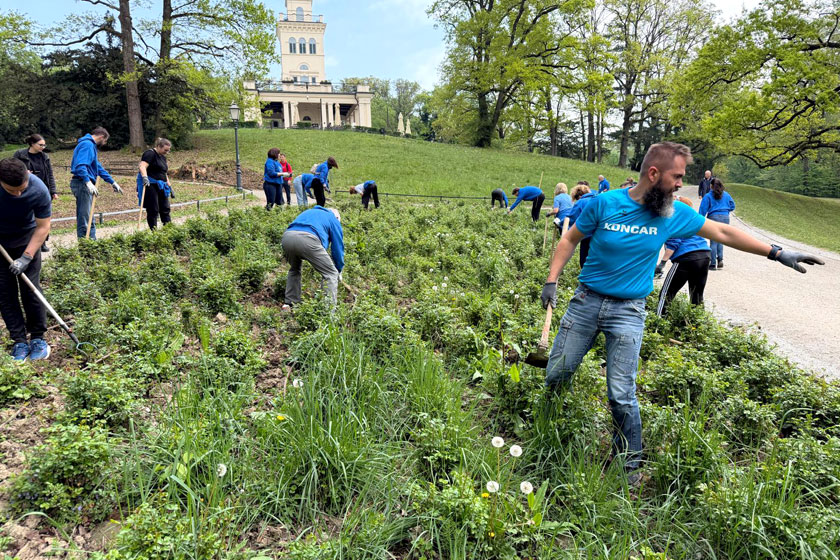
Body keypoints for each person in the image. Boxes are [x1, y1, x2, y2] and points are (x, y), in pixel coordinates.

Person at [539, 141, 822, 485]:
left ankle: (629, 466)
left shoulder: (672, 213)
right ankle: (546, 428)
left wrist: (776, 252)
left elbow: (721, 231)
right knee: (557, 372)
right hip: (586, 302)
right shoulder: (604, 203)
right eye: (676, 177)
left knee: (621, 393)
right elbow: (569, 239)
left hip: (629, 311)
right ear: (654, 173)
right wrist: (552, 280)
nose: (679, 184)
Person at [0, 158, 52, 362]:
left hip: (27, 237)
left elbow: (43, 227)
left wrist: (26, 257)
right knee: (5, 292)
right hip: (1, 243)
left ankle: (38, 338)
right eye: (13, 191)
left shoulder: (38, 190)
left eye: (22, 188)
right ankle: (19, 341)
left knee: (30, 288)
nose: (19, 194)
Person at [654, 196, 711, 316]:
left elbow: (673, 244)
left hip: (687, 257)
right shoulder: (692, 219)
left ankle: (658, 323)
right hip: (705, 255)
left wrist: (662, 264)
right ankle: (697, 323)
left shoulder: (675, 220)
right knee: (697, 294)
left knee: (666, 293)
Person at [281, 206, 344, 309]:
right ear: (337, 217)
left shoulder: (310, 211)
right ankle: (328, 312)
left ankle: (290, 303)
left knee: (294, 269)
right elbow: (338, 248)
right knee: (331, 273)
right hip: (308, 239)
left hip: (287, 238)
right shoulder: (333, 219)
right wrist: (339, 269)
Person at [69, 127, 122, 240]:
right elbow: (81, 165)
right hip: (82, 183)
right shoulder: (87, 145)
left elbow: (97, 167)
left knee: (89, 216)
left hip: (85, 183)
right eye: (105, 140)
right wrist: (87, 182)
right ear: (102, 136)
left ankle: (92, 243)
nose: (104, 143)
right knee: (85, 217)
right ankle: (85, 246)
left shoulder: (90, 146)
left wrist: (112, 182)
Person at [14, 134, 56, 253]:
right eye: (41, 145)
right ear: (32, 144)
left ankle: (42, 242)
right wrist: (23, 172)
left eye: (44, 145)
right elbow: (12, 169)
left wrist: (53, 191)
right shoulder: (20, 155)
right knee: (28, 217)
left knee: (43, 218)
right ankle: (27, 241)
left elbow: (50, 175)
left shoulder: (45, 157)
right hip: (25, 190)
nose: (43, 147)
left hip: (42, 191)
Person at [137, 138, 174, 230]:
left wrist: (170, 186)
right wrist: (145, 177)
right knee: (153, 209)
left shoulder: (163, 157)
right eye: (165, 150)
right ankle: (154, 232)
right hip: (150, 184)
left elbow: (164, 173)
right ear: (158, 146)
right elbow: (142, 166)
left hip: (162, 185)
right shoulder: (150, 154)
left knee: (165, 208)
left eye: (168, 150)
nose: (167, 152)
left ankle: (169, 230)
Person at [699, 178, 735, 270]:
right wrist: (725, 210)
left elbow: (702, 210)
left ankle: (712, 263)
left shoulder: (708, 196)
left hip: (713, 217)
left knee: (713, 241)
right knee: (721, 239)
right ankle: (720, 260)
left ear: (711, 186)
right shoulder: (726, 195)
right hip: (725, 218)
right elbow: (732, 206)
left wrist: (700, 220)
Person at [567, 183, 596, 267]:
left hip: (587, 236)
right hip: (602, 236)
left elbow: (572, 218)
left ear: (578, 196)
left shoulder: (581, 202)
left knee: (584, 262)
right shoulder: (598, 198)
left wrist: (560, 223)